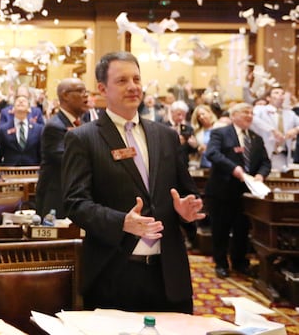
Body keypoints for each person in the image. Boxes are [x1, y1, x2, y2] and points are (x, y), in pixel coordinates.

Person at [63, 51, 205, 314]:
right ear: (102, 88)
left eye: (137, 79)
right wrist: (122, 222)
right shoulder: (83, 139)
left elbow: (186, 192)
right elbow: (75, 204)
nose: (133, 87)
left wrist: (186, 211)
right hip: (115, 272)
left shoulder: (166, 136)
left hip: (169, 274)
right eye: (122, 81)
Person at [204, 103, 270, 278]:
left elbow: (265, 162)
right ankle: (221, 264)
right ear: (233, 115)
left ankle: (239, 262)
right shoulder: (220, 133)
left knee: (242, 229)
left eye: (251, 112)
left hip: (247, 194)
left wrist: (261, 175)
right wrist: (233, 169)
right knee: (221, 229)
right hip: (222, 191)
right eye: (245, 112)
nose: (249, 115)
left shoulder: (256, 138)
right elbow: (212, 154)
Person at [35, 78, 89, 218]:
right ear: (65, 95)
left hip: (75, 195)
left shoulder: (81, 122)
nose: (86, 95)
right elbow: (66, 159)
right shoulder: (55, 126)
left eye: (86, 91)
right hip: (56, 198)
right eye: (80, 91)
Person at [251, 87, 299, 171]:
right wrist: (272, 130)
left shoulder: (290, 113)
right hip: (265, 152)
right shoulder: (260, 109)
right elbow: (253, 119)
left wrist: (296, 130)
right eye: (276, 93)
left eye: (282, 93)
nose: (280, 95)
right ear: (268, 98)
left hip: (282, 154)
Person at [0, 94, 43, 166]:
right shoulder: (3, 130)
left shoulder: (38, 129)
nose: (20, 102)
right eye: (18, 101)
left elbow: (42, 155)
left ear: (29, 109)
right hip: (10, 173)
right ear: (13, 109)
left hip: (32, 172)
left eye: (24, 101)